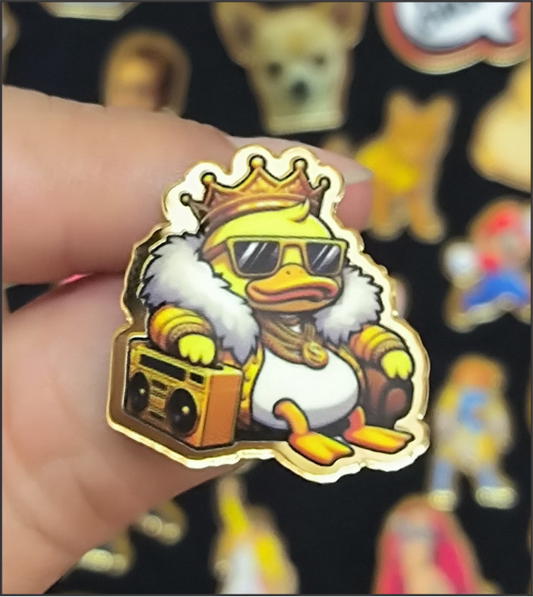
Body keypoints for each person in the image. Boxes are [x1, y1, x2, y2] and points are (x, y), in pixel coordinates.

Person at [2, 84, 371, 594]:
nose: (295, 274)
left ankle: (345, 425)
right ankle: (304, 428)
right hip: (257, 399)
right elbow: (170, 320)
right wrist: (190, 336)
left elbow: (361, 338)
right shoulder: (204, 303)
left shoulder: (330, 315)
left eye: (320, 258)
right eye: (259, 256)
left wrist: (379, 353)